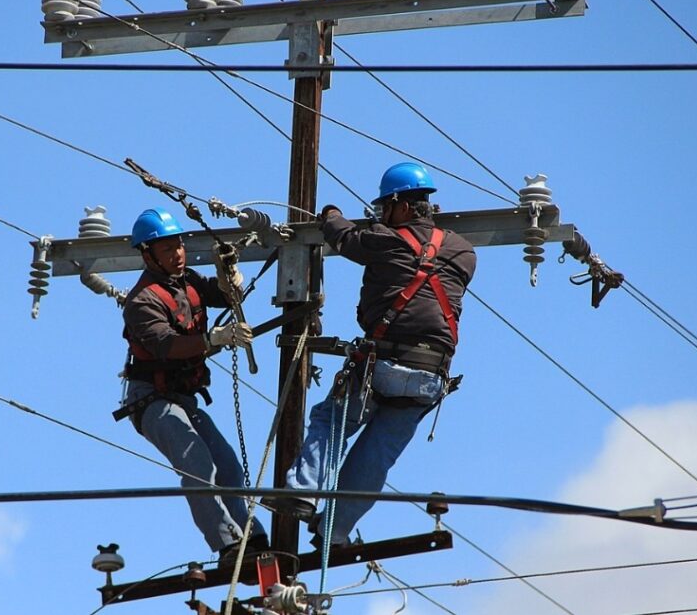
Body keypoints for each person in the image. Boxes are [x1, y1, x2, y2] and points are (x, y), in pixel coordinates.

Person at [264, 162, 477, 548]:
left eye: (385, 209)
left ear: (401, 206)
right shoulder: (464, 252)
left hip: (383, 363)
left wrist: (329, 213)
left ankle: (302, 491)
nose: (382, 217)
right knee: (376, 455)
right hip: (431, 376)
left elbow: (343, 237)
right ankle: (335, 530)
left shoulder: (385, 239)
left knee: (332, 422)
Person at [117, 207, 268, 565]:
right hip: (151, 401)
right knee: (197, 462)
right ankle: (228, 544)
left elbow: (225, 296)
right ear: (147, 253)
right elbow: (167, 346)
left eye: (179, 245)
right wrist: (216, 339)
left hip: (184, 399)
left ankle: (252, 536)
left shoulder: (187, 282)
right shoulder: (142, 301)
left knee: (228, 466)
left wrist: (229, 275)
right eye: (167, 248)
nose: (177, 253)